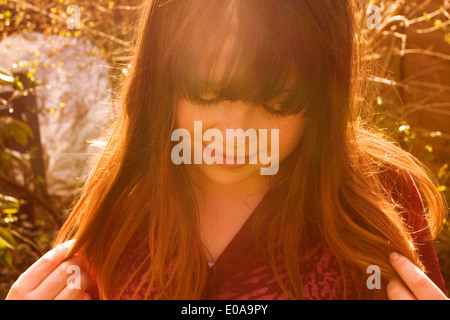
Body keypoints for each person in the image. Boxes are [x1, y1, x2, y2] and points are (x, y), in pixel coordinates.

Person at [6, 0, 449, 300]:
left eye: (276, 102)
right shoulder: (123, 204)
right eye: (204, 94)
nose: (235, 134)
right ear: (159, 84)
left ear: (323, 98)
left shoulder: (376, 197)